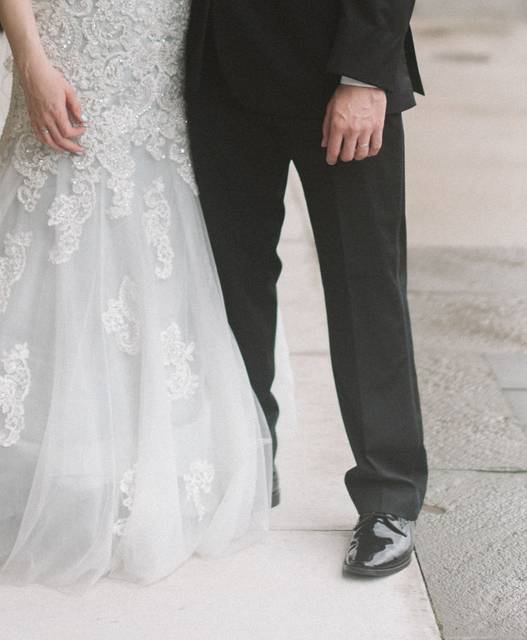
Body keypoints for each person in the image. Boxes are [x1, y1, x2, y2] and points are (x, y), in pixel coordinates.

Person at [0, 0, 275, 590]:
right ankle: (20, 464)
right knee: (52, 200)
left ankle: (121, 455)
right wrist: (30, 58)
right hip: (68, 35)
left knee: (147, 207)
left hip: (157, 39)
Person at [184, 0, 429, 577]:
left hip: (338, 71)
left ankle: (388, 499)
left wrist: (365, 75)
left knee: (365, 286)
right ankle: (248, 460)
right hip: (220, 71)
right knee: (230, 280)